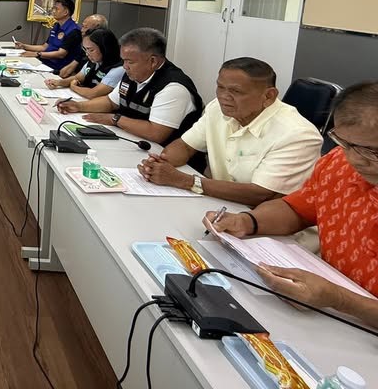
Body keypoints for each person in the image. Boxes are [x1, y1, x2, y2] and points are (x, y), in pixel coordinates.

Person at [204, 82, 378, 328]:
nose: (355, 159)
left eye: (372, 152)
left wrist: (340, 299)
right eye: (345, 143)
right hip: (327, 312)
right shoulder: (338, 163)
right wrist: (247, 221)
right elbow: (297, 209)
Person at [139, 58, 322, 205]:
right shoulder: (217, 108)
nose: (223, 97)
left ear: (268, 96)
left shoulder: (298, 134)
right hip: (219, 203)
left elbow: (260, 194)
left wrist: (184, 180)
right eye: (220, 87)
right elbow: (185, 146)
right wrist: (160, 164)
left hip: (267, 226)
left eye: (236, 91)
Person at [58, 27, 202, 146]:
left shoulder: (173, 87)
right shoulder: (133, 74)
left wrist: (115, 119)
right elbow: (110, 102)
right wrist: (79, 106)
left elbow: (156, 133)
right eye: (124, 60)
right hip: (132, 141)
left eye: (130, 62)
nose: (125, 66)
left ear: (153, 61)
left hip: (166, 158)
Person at [45, 28, 124, 100]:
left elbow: (93, 94)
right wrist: (58, 82)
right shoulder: (94, 61)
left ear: (105, 48)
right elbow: (77, 78)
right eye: (85, 49)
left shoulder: (119, 68)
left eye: (91, 50)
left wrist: (73, 87)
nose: (87, 54)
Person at [15, 0, 81, 73]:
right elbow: (44, 47)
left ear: (65, 12)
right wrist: (24, 46)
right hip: (45, 63)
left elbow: (61, 54)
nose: (53, 11)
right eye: (53, 9)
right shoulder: (56, 26)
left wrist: (37, 54)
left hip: (59, 68)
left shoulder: (74, 31)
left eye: (56, 9)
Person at [58, 14, 109, 79]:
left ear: (96, 30)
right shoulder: (84, 48)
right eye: (82, 26)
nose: (81, 30)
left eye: (85, 27)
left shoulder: (106, 55)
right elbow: (65, 72)